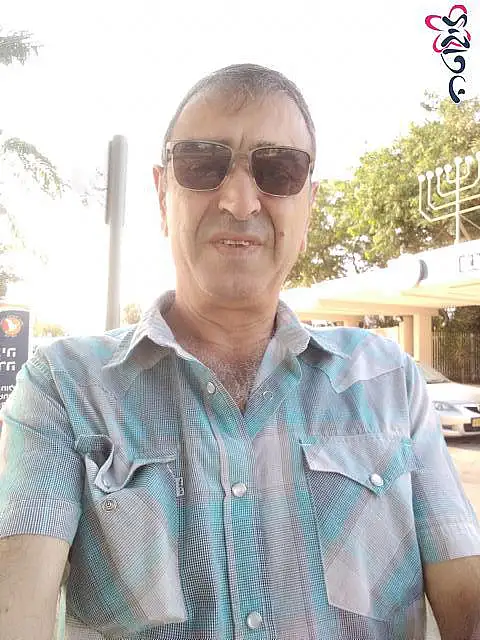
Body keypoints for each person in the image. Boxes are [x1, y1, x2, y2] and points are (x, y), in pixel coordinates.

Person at [0, 63, 480, 640]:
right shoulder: (65, 387)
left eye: (279, 170)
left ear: (308, 205)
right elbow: (16, 607)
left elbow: (466, 596)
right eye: (203, 164)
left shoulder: (390, 383)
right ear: (162, 194)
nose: (240, 199)